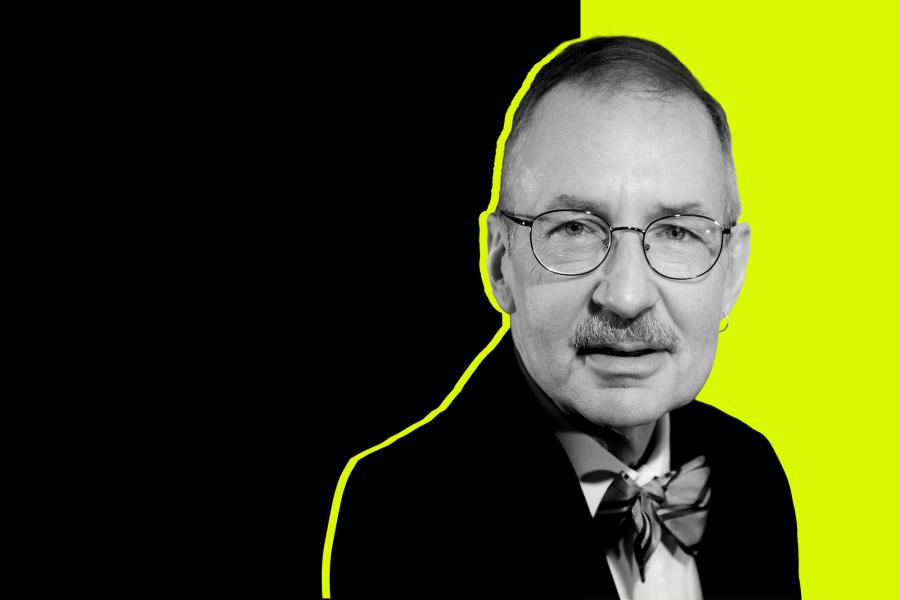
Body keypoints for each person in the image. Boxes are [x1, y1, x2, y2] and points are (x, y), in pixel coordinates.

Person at [325, 36, 800, 599]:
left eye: (676, 232)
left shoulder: (753, 474)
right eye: (575, 228)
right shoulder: (403, 513)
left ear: (732, 272)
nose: (625, 297)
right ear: (500, 263)